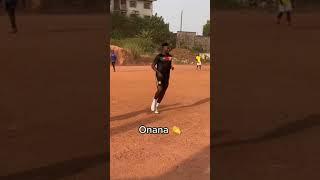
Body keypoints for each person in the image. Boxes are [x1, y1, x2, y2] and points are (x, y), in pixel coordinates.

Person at [150, 43, 174, 114]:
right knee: (160, 89)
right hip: (160, 76)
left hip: (167, 76)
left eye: (169, 48)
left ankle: (156, 107)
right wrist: (158, 72)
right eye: (167, 47)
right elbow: (152, 66)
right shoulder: (158, 56)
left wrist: (171, 67)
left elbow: (169, 65)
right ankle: (154, 101)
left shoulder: (170, 56)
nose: (168, 49)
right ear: (163, 48)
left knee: (163, 91)